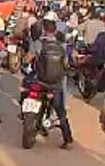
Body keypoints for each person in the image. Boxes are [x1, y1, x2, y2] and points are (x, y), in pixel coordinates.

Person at [27, 11, 73, 147]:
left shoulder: (38, 43)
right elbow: (66, 63)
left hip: (40, 80)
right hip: (55, 83)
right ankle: (67, 138)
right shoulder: (62, 44)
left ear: (44, 27)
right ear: (55, 27)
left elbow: (28, 58)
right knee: (61, 112)